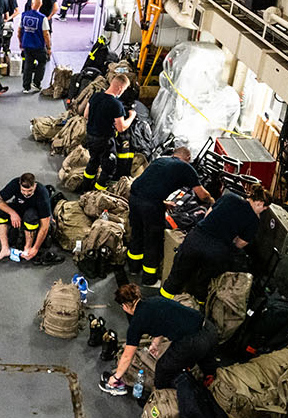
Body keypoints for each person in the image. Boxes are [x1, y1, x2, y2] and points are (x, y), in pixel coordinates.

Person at [102, 284, 216, 397]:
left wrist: (115, 377)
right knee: (205, 362)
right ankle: (211, 381)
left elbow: (127, 356)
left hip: (194, 342)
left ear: (125, 305)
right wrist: (156, 343)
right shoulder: (155, 300)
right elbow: (165, 321)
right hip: (210, 330)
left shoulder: (136, 323)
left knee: (162, 369)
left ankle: (159, 397)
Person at [162, 188, 268, 300]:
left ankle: (162, 301)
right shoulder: (254, 220)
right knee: (202, 285)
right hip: (216, 251)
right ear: (260, 203)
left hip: (195, 240)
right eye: (264, 209)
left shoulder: (229, 197)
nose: (262, 211)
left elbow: (207, 215)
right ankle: (195, 306)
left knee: (175, 278)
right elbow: (239, 244)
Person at [127, 147, 212, 285]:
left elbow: (149, 184)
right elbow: (202, 195)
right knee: (152, 240)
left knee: (137, 233)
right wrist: (214, 203)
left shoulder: (160, 161)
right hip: (150, 206)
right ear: (187, 158)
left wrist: (163, 202)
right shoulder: (186, 167)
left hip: (134, 198)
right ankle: (149, 279)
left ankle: (133, 268)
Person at [82, 74, 135, 191]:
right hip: (105, 141)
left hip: (91, 137)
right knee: (108, 168)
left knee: (93, 161)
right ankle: (97, 193)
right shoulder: (116, 105)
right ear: (120, 88)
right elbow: (121, 128)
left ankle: (85, 187)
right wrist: (132, 116)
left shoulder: (95, 96)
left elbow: (86, 115)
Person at [0, 172, 55, 262]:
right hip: (19, 209)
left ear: (35, 185)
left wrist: (35, 248)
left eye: (30, 191)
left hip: (34, 215)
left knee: (30, 215)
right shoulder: (14, 184)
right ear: (19, 185)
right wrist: (13, 213)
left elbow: (45, 226)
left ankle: (27, 247)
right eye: (23, 190)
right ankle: (5, 249)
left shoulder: (42, 194)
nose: (26, 193)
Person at [18, 0, 50, 93]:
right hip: (38, 46)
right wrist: (49, 47)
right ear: (41, 4)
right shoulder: (43, 18)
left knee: (28, 65)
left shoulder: (24, 15)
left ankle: (26, 87)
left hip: (27, 45)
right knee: (42, 62)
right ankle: (36, 83)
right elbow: (46, 34)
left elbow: (19, 31)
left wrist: (20, 42)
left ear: (32, 4)